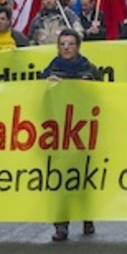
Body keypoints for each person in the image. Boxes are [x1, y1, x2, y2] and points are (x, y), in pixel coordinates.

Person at [41, 29, 101, 242]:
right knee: (60, 178)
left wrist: (89, 85)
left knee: (82, 176)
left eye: (71, 44)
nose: (66, 47)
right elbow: (37, 94)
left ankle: (86, 215)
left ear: (78, 47)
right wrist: (48, 86)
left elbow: (103, 93)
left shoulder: (88, 68)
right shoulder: (51, 68)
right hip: (59, 131)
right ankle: (61, 224)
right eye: (63, 44)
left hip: (82, 130)